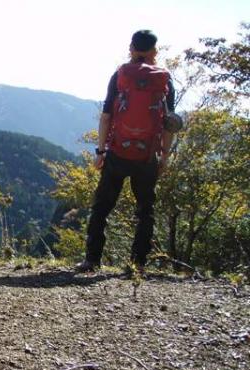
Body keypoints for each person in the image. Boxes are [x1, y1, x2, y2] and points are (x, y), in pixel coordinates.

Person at [76, 30, 177, 273]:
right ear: (154, 51)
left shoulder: (120, 75)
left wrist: (101, 151)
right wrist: (164, 155)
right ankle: (138, 264)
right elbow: (169, 123)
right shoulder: (164, 79)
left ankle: (92, 260)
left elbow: (106, 116)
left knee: (101, 208)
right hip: (147, 156)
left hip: (118, 153)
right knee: (145, 211)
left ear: (131, 48)